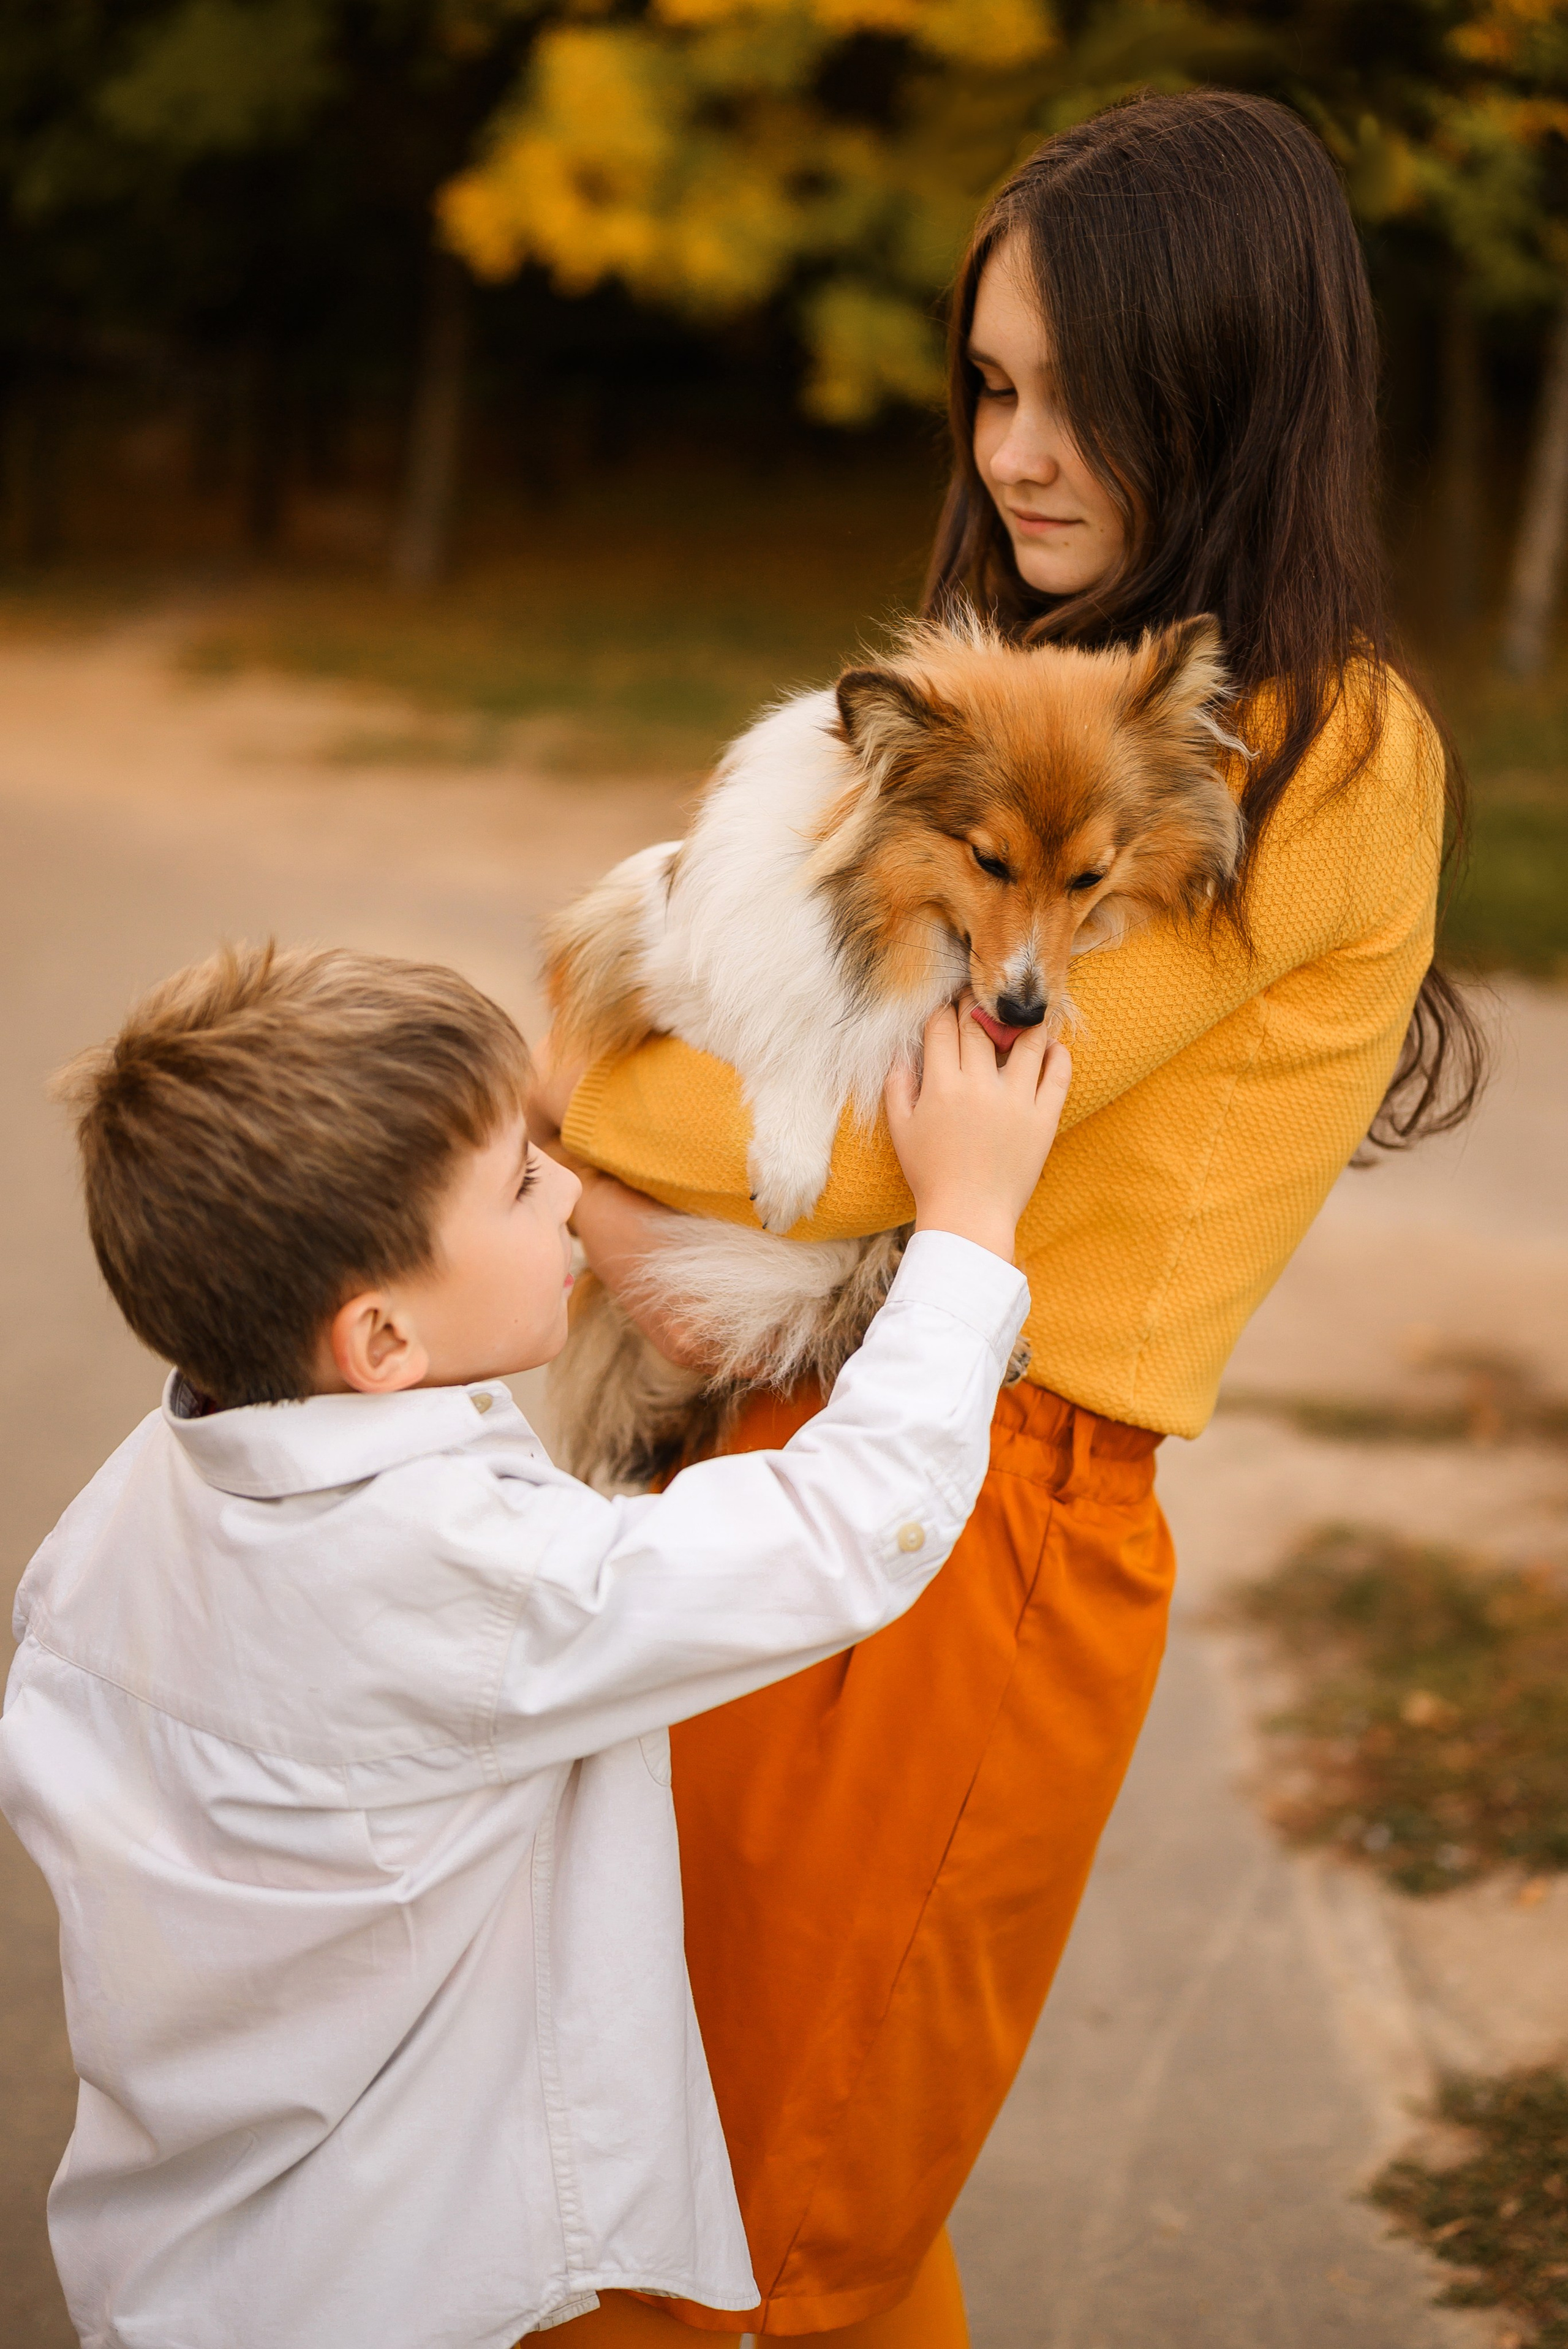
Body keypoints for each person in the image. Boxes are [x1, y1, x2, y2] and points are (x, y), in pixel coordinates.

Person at [529, 88, 1487, 2349]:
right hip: (803, 1447)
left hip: (986, 1517)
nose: (1020, 448)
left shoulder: (1311, 750)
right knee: (693, 2156)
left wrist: (570, 1101)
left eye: (1083, 394)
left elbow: (881, 1131)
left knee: (752, 2213)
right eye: (992, 385)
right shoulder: (1035, 687)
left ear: (1230, 388)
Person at [0, 943, 1070, 2349]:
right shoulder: (448, 1580)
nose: (566, 1186)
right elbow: (834, 1532)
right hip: (409, 2284)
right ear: (379, 1338)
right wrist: (967, 1220)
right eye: (518, 1183)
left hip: (202, 2260)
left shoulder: (126, 1514)